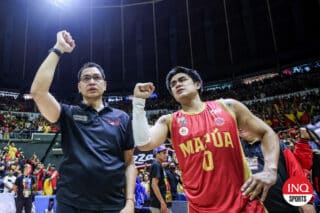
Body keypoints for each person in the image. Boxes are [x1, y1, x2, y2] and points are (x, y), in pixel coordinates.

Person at [132, 66, 280, 212]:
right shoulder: (169, 121)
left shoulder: (228, 106)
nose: (177, 84)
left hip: (245, 205)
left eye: (182, 79)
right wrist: (138, 102)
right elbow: (144, 144)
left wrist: (271, 170)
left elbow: (267, 132)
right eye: (173, 84)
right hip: (201, 209)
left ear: (197, 84)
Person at [30, 30, 136, 213]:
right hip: (71, 205)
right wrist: (58, 49)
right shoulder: (69, 114)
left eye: (97, 78)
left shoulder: (122, 118)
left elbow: (129, 163)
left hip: (113, 206)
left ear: (105, 84)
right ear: (79, 87)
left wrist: (130, 201)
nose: (92, 81)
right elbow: (38, 92)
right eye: (86, 78)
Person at [240, 129, 316, 213]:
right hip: (258, 208)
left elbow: (294, 171)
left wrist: (305, 202)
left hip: (287, 206)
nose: (240, 128)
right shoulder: (238, 151)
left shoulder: (276, 144)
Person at [149, 145, 172, 213]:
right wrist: (162, 202)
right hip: (158, 205)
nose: (166, 155)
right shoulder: (156, 165)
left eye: (166, 153)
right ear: (157, 154)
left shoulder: (159, 165)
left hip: (162, 203)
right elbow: (154, 185)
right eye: (164, 153)